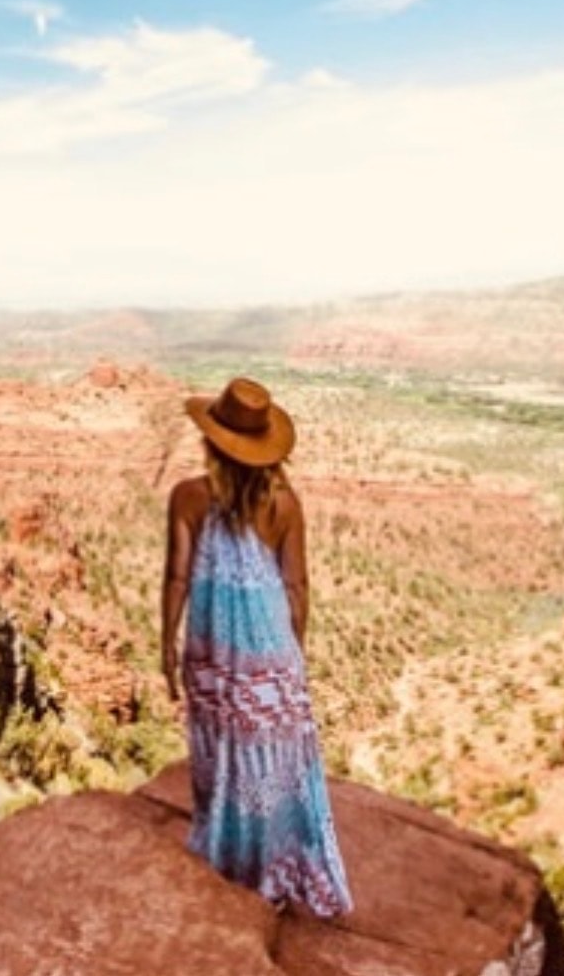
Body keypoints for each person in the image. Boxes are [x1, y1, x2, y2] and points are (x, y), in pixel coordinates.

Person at [161, 376, 353, 919]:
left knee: (220, 749)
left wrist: (165, 645)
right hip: (271, 649)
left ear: (212, 441)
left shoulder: (190, 497)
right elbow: (297, 586)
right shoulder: (286, 504)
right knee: (272, 755)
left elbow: (177, 578)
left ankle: (230, 856)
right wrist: (295, 654)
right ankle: (274, 864)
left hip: (213, 645)